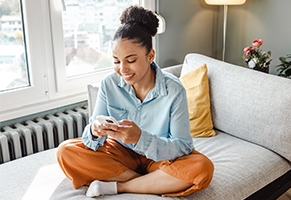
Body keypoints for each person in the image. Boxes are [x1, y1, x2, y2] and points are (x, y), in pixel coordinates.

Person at [56, 5, 214, 198]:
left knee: (202, 168)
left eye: (130, 60)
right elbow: (91, 139)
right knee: (66, 151)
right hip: (121, 155)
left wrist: (141, 139)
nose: (123, 69)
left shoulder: (174, 90)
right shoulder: (109, 84)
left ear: (150, 56)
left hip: (160, 158)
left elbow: (182, 146)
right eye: (116, 61)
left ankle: (120, 186)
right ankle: (153, 182)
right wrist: (95, 131)